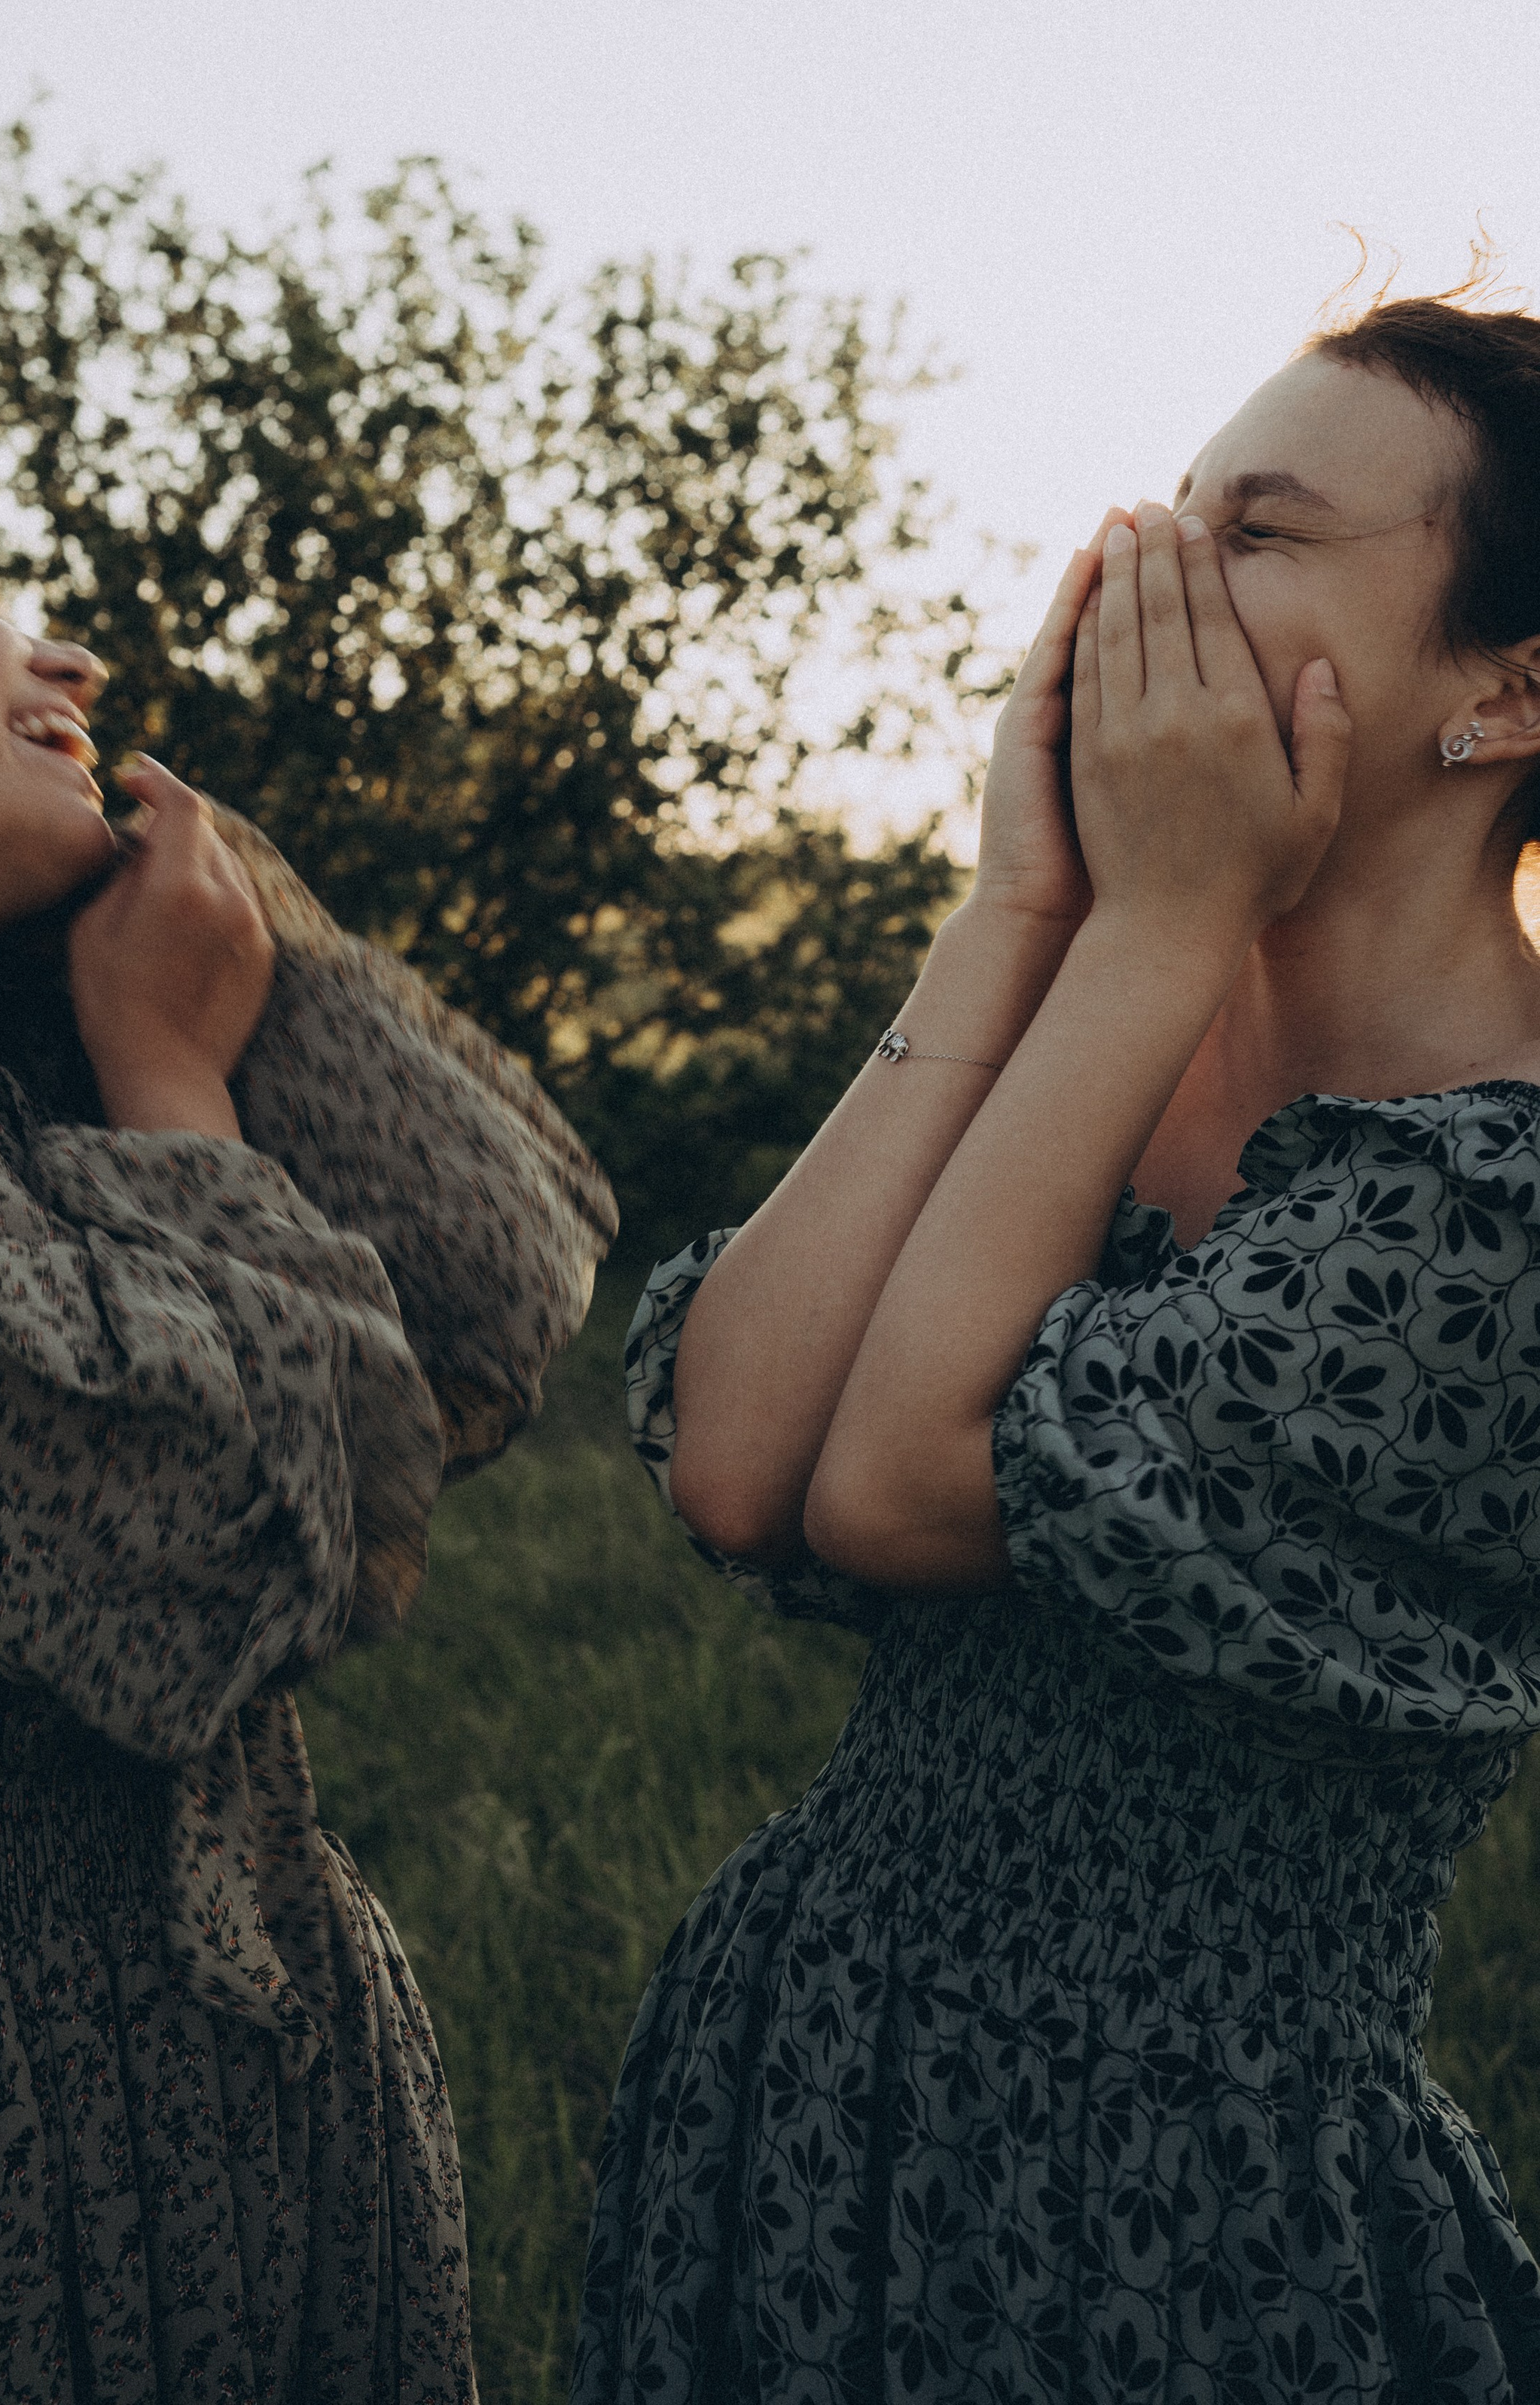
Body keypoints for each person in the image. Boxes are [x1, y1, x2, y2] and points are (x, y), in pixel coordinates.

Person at [574, 294, 1540, 2403]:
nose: (1146, 574)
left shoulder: (1502, 1215)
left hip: (1165, 2209)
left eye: (1259, 532)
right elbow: (739, 1462)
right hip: (800, 2080)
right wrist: (1023, 908)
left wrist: (1157, 925)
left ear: (1512, 684)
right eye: (1168, 512)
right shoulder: (1118, 1022)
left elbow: (901, 1486)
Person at [0, 497, 615, 2405]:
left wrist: (232, 934)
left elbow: (494, 1298)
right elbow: (179, 1544)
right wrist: (170, 1085)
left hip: (261, 2066)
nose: (65, 662)